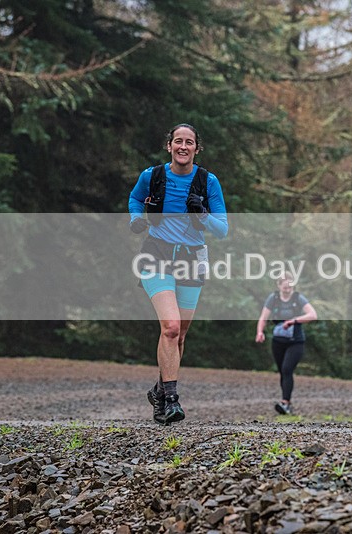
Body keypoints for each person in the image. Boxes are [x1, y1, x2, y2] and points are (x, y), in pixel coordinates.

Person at [128, 123, 228, 425]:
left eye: (190, 142)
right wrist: (136, 219)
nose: (183, 147)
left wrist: (203, 215)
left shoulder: (208, 181)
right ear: (169, 145)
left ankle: (158, 391)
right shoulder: (152, 176)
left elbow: (222, 230)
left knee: (180, 334)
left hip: (192, 259)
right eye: (178, 141)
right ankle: (171, 399)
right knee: (170, 326)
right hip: (155, 255)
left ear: (197, 148)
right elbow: (135, 200)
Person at [255, 274, 317, 415]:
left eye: (290, 287)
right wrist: (260, 332)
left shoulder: (298, 298)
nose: (288, 289)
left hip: (296, 341)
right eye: (285, 287)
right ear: (279, 286)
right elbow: (263, 317)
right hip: (278, 341)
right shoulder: (274, 298)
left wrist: (293, 320)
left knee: (287, 368)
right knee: (283, 372)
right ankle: (286, 403)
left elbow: (313, 315)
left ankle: (285, 403)